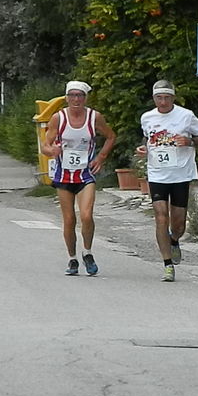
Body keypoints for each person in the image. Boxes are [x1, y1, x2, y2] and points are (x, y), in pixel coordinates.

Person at [41, 80, 116, 276]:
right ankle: (72, 258)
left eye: (80, 96)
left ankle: (88, 253)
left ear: (85, 98)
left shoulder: (94, 117)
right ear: (66, 98)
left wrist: (101, 156)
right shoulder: (58, 118)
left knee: (86, 215)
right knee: (69, 219)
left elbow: (110, 136)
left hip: (85, 174)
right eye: (72, 95)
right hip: (64, 175)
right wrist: (52, 150)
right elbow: (45, 145)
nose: (76, 99)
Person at [136, 80, 198, 282]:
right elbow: (147, 138)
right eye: (159, 98)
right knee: (160, 217)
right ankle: (167, 265)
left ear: (173, 98)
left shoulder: (186, 115)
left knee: (178, 224)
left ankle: (174, 240)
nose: (163, 101)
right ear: (154, 99)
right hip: (157, 173)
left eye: (167, 98)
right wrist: (143, 148)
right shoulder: (147, 117)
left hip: (180, 174)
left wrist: (190, 141)